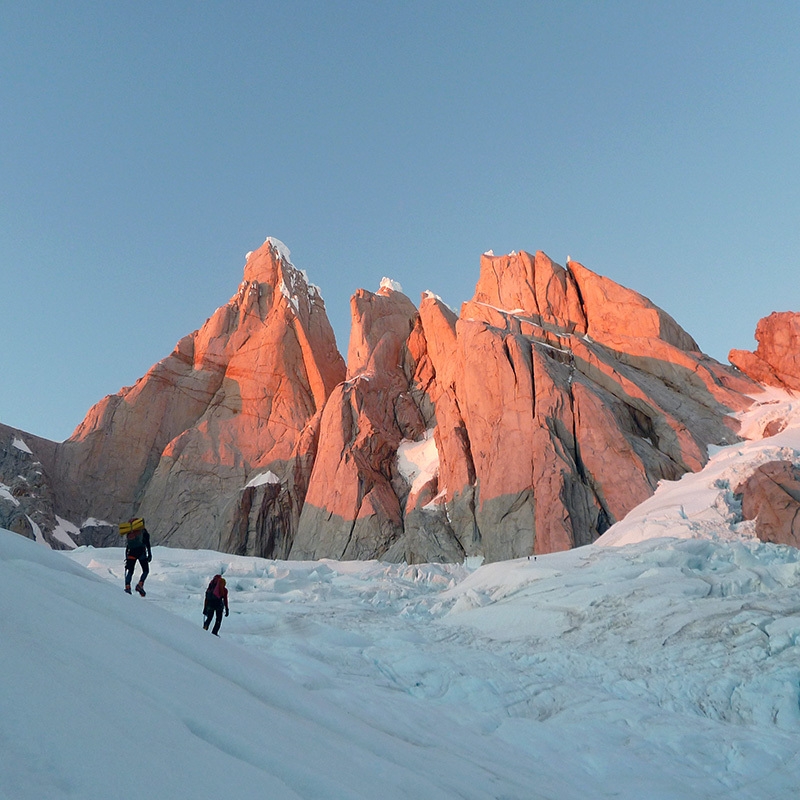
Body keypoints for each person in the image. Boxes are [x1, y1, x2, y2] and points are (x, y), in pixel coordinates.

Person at [124, 519, 152, 596]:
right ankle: (140, 585)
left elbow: (128, 545)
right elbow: (147, 543)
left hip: (131, 553)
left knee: (130, 571)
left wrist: (127, 556)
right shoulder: (143, 531)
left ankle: (127, 587)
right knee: (145, 570)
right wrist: (149, 554)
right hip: (141, 552)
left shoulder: (130, 532)